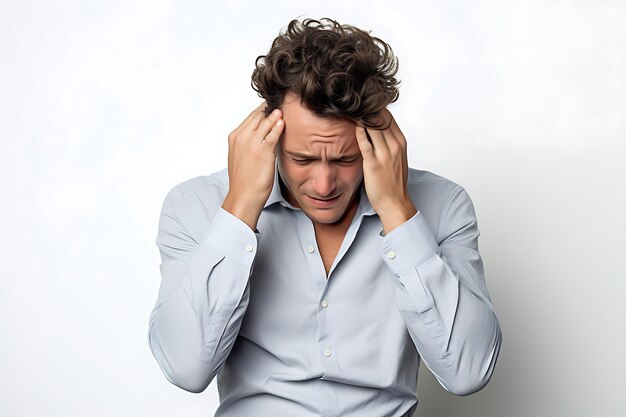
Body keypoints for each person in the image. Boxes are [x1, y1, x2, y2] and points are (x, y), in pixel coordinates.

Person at [147, 18, 502, 417]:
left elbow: (469, 372)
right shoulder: (194, 206)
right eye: (303, 158)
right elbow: (185, 369)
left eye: (346, 159)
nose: (324, 183)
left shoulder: (443, 205)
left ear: (378, 141)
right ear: (269, 134)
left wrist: (399, 212)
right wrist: (241, 207)